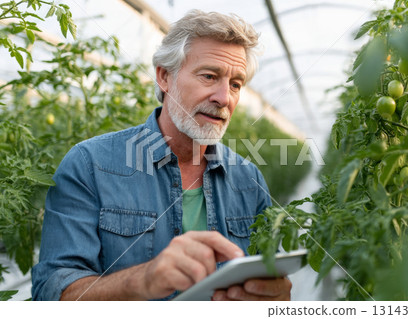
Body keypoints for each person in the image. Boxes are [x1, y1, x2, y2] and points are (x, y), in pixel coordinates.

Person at [31, 10, 292, 301]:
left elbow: (270, 272)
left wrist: (274, 298)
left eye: (235, 84)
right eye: (209, 76)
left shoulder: (248, 179)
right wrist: (144, 279)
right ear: (164, 76)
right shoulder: (90, 165)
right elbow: (54, 292)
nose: (224, 98)